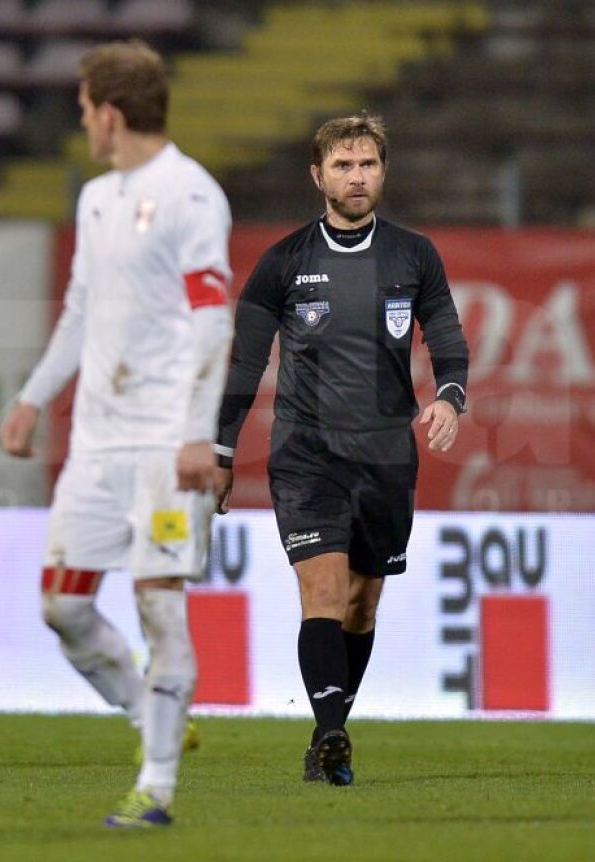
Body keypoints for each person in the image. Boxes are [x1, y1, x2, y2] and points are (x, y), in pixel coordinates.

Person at [0, 41, 232, 827]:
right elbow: (78, 311)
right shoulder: (97, 199)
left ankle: (156, 786)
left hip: (166, 446)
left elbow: (213, 322)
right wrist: (33, 398)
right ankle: (152, 714)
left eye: (84, 108)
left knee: (160, 607)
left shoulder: (191, 195)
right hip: (97, 448)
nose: (83, 123)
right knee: (61, 607)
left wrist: (200, 434)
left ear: (109, 111)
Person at [213, 114, 469, 786]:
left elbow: (444, 329)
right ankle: (332, 736)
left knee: (362, 604)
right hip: (306, 456)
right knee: (321, 590)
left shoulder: (414, 255)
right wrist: (219, 452)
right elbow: (244, 363)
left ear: (383, 172)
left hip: (386, 458)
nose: (357, 177)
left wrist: (449, 393)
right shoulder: (285, 262)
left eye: (368, 165)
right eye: (344, 166)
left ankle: (328, 733)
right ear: (318, 175)